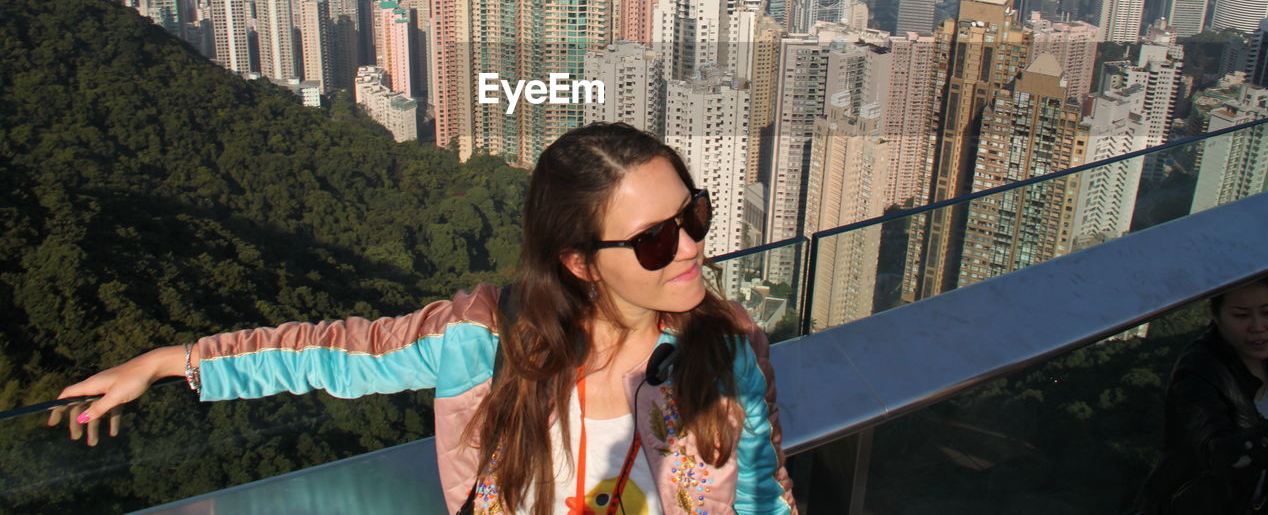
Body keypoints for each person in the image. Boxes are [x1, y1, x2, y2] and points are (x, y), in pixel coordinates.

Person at [53, 122, 798, 515]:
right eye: (657, 238)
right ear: (578, 261)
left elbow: (763, 497)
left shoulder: (726, 351)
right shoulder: (485, 344)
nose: (693, 245)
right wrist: (168, 360)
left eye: (691, 213)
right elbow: (330, 353)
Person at [1139, 276, 1268, 514]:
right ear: (1216, 316)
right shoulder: (1197, 372)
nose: (1258, 326)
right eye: (1241, 315)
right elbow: (1218, 456)